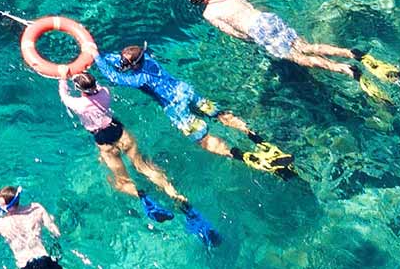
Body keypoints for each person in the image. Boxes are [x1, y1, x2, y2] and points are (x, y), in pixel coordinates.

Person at [59, 71, 221, 245]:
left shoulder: (79, 105)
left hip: (104, 142)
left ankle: (144, 197)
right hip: (120, 133)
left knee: (120, 182)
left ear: (79, 89)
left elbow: (64, 96)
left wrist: (62, 76)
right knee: (144, 166)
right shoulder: (105, 93)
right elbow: (96, 89)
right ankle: (179, 199)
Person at [183, 0, 400, 101]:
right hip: (266, 18)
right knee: (307, 47)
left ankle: (346, 69)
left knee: (300, 59)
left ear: (198, 0)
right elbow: (247, 3)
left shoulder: (208, 14)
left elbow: (232, 32)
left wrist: (250, 40)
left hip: (257, 31)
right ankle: (354, 53)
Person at [95, 43, 294, 175]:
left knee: (203, 139)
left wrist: (96, 59)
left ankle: (248, 157)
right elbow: (121, 59)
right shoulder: (149, 61)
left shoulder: (141, 78)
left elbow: (115, 78)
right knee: (220, 114)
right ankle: (260, 141)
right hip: (187, 91)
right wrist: (98, 54)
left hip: (176, 107)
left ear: (132, 65)